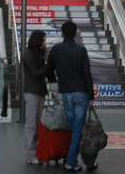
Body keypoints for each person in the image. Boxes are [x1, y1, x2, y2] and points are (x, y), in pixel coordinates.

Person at [47, 21, 96, 173]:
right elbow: (86, 73)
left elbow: (49, 69)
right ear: (75, 33)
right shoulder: (81, 50)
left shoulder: (56, 49)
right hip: (81, 92)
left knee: (75, 127)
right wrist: (91, 94)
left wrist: (55, 81)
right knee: (77, 129)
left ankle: (83, 161)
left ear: (62, 33)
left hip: (66, 92)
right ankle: (72, 161)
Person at [23, 30, 52, 166]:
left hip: (39, 91)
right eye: (44, 40)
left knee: (37, 124)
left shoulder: (39, 55)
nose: (45, 43)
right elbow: (35, 73)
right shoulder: (28, 55)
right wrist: (48, 68)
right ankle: (30, 154)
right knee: (31, 125)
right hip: (32, 91)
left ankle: (37, 152)